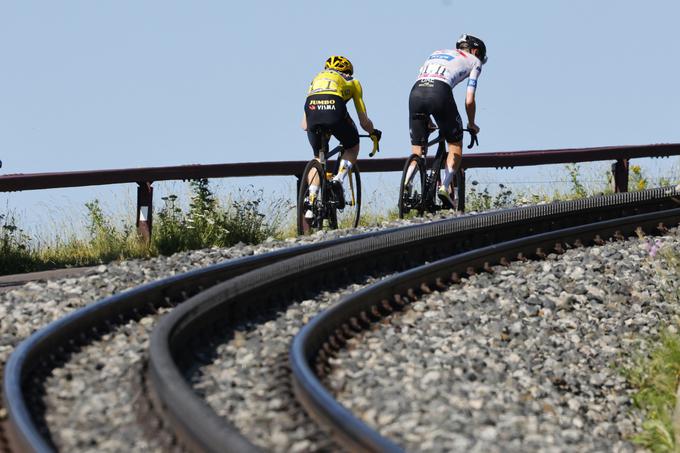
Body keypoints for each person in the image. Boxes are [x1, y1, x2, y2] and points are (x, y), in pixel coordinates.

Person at [407, 33, 487, 208]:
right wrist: (471, 124)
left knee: (418, 149)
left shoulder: (437, 52)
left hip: (416, 91)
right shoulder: (475, 61)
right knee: (455, 144)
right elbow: (469, 100)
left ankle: (407, 181)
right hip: (440, 93)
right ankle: (444, 186)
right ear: (475, 51)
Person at [301, 55, 380, 210]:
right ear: (348, 71)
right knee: (352, 146)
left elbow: (304, 125)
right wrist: (372, 132)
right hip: (334, 108)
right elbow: (363, 121)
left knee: (318, 157)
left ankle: (311, 198)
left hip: (312, 109)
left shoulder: (316, 79)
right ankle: (338, 179)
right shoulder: (352, 81)